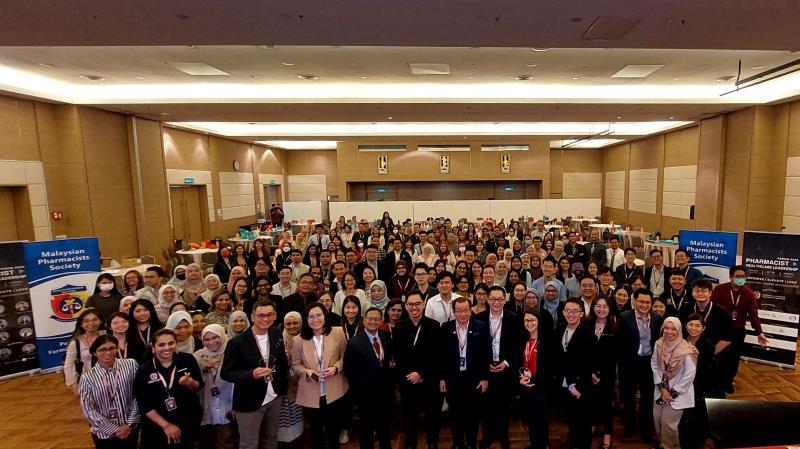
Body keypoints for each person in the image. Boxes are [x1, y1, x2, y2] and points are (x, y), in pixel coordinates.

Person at [221, 299, 289, 449]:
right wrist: (251, 374)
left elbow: (282, 361)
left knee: (271, 437)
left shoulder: (276, 333)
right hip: (249, 400)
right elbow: (226, 373)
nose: (265, 319)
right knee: (249, 443)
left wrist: (283, 386)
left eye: (269, 315)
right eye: (260, 315)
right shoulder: (237, 342)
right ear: (252, 317)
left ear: (275, 315)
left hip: (274, 396)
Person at [291, 303, 349, 449]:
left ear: (325, 316)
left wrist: (336, 368)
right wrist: (306, 371)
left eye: (319, 315)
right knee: (316, 433)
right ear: (306, 319)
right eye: (311, 316)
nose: (315, 319)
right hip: (311, 391)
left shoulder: (338, 332)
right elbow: (296, 364)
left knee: (333, 431)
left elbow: (345, 357)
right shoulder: (298, 340)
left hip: (334, 390)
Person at [135, 329, 203, 449]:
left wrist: (190, 382)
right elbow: (144, 404)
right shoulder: (144, 369)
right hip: (157, 427)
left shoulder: (187, 360)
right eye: (161, 345)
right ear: (153, 347)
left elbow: (198, 386)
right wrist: (166, 426)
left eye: (171, 343)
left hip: (187, 422)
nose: (167, 348)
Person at [392, 291, 442, 449]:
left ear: (423, 304)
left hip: (429, 378)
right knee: (409, 415)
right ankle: (411, 442)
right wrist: (410, 375)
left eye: (417, 304)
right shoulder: (399, 326)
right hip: (407, 380)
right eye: (411, 304)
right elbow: (397, 355)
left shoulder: (434, 325)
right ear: (406, 306)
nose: (414, 307)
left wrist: (421, 373)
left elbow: (436, 354)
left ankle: (432, 441)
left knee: (432, 414)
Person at [439, 296, 490, 449]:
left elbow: (487, 353)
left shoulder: (481, 327)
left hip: (474, 379)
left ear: (471, 310)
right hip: (453, 380)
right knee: (455, 415)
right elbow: (440, 356)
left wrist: (485, 378)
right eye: (459, 311)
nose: (462, 314)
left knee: (473, 416)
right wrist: (441, 378)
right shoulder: (446, 328)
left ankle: (472, 444)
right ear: (454, 312)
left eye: (466, 310)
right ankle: (458, 444)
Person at [710, 265, 768, 393]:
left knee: (734, 358)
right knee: (719, 356)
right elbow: (711, 308)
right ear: (731, 276)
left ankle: (728, 381)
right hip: (720, 330)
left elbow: (753, 314)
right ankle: (717, 380)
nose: (740, 279)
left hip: (738, 331)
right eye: (738, 276)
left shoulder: (748, 294)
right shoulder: (720, 289)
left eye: (743, 276)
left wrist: (759, 332)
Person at [475, 286, 520, 449]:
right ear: (487, 300)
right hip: (486, 368)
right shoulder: (478, 318)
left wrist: (506, 362)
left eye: (500, 299)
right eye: (493, 299)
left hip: (505, 368)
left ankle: (503, 435)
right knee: (486, 405)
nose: (496, 302)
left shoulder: (513, 318)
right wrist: (485, 363)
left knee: (504, 405)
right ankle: (488, 436)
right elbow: (476, 347)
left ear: (505, 300)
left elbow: (517, 345)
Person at [344, 307, 394, 449]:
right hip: (365, 395)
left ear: (381, 320)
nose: (373, 321)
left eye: (376, 319)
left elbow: (387, 362)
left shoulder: (385, 336)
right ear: (364, 320)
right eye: (370, 319)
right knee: (366, 428)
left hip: (384, 393)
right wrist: (357, 395)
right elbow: (350, 371)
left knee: (385, 426)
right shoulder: (354, 342)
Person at [79, 335, 140, 449]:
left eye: (112, 348)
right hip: (104, 434)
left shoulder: (130, 365)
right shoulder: (87, 377)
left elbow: (139, 395)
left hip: (130, 429)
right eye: (102, 349)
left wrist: (130, 424)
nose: (108, 352)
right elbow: (88, 408)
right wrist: (114, 429)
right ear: (94, 352)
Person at [619, 288, 662, 442]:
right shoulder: (624, 317)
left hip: (649, 363)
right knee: (628, 396)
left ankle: (646, 429)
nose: (644, 305)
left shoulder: (657, 318)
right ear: (634, 301)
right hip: (629, 362)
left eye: (647, 302)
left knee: (647, 397)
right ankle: (629, 426)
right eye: (641, 301)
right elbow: (620, 343)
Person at [678, 278, 732, 398]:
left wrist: (707, 354)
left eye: (704, 291)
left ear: (710, 293)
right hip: (690, 356)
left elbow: (727, 339)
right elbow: (681, 333)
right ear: (692, 292)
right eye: (697, 290)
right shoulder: (686, 309)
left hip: (715, 357)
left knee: (714, 393)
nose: (700, 294)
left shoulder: (722, 312)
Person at [651, 316, 697, 449]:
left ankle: (671, 447)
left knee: (668, 424)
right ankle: (662, 444)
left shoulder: (687, 349)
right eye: (666, 328)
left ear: (679, 330)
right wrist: (661, 387)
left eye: (673, 329)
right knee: (657, 419)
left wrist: (673, 391)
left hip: (678, 393)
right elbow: (654, 363)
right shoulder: (659, 344)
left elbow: (690, 374)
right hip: (661, 390)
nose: (669, 332)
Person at [554, 298, 593, 449]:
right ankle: (575, 441)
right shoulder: (559, 329)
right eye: (567, 311)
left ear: (581, 314)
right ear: (563, 313)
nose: (571, 314)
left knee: (582, 419)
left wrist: (579, 387)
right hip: (563, 381)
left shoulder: (587, 334)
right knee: (570, 416)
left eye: (574, 311)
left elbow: (589, 365)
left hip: (578, 385)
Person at [582, 297, 619, 449]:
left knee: (606, 404)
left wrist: (601, 373)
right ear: (593, 307)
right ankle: (592, 425)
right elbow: (583, 351)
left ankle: (607, 433)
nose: (601, 309)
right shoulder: (585, 325)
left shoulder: (615, 327)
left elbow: (616, 353)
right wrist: (590, 371)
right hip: (588, 372)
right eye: (598, 306)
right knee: (590, 401)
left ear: (609, 309)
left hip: (608, 373)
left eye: (605, 306)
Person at [194, 324, 235, 449]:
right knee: (207, 441)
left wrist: (218, 368)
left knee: (227, 439)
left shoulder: (232, 353)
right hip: (206, 404)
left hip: (228, 405)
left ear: (223, 336)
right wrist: (203, 368)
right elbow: (195, 382)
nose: (211, 342)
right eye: (207, 339)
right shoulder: (197, 356)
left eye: (215, 337)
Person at [680, 313, 716, 448]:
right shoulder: (680, 340)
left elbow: (707, 371)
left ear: (703, 328)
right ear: (685, 326)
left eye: (697, 325)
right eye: (690, 324)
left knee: (694, 416)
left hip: (698, 385)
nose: (693, 328)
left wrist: (698, 357)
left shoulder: (708, 346)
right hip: (680, 382)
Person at [518, 308, 550, 449]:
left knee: (541, 420)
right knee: (530, 418)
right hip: (525, 385)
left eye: (532, 320)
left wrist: (535, 381)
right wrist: (520, 378)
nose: (529, 323)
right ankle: (534, 443)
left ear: (538, 321)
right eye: (526, 320)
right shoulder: (522, 338)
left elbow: (551, 367)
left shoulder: (548, 340)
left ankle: (541, 445)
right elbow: (518, 362)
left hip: (541, 387)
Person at [65, 308, 104, 396]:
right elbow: (68, 365)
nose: (91, 323)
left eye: (94, 320)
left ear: (101, 321)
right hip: (88, 383)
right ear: (81, 324)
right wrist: (74, 385)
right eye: (86, 321)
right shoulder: (75, 343)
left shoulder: (107, 336)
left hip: (110, 379)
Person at [279, 311, 305, 446]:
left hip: (301, 385)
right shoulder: (278, 338)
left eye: (295, 323)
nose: (292, 326)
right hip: (284, 386)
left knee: (297, 416)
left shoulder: (306, 338)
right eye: (288, 324)